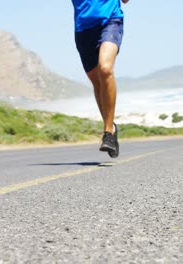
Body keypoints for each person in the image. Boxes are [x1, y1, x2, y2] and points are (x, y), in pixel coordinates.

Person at [72, 0, 129, 158]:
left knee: (105, 69)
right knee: (97, 82)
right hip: (83, 28)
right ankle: (111, 127)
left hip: (111, 20)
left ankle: (108, 133)